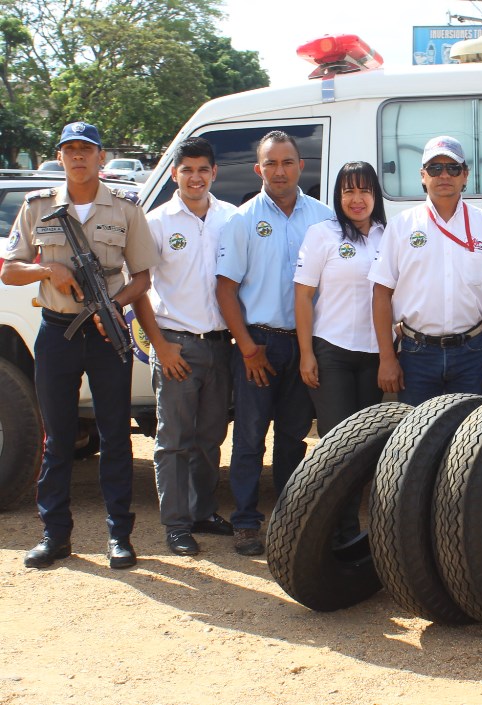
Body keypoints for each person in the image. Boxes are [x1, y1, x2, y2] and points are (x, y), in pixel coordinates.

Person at [2, 121, 159, 569]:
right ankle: (55, 535)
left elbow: (143, 277)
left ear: (101, 157)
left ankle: (119, 536)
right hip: (57, 333)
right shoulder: (38, 207)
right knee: (57, 439)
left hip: (106, 333)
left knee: (114, 436)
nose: (78, 157)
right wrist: (48, 271)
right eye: (69, 149)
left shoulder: (126, 209)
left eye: (86, 149)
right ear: (61, 156)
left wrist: (112, 305)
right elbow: (9, 270)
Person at [215, 130, 333, 556]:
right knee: (249, 436)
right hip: (258, 346)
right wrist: (247, 347)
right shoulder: (242, 219)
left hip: (306, 344)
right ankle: (246, 521)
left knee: (293, 436)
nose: (279, 171)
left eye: (287, 162)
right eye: (271, 163)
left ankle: (289, 516)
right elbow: (225, 289)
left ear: (301, 166)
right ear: (258, 169)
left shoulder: (323, 218)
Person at [132, 137, 237, 557]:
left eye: (203, 170)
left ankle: (202, 511)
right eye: (187, 169)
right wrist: (160, 345)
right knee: (173, 439)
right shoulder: (155, 222)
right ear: (174, 173)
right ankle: (176, 525)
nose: (195, 177)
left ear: (214, 173)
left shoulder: (231, 218)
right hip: (175, 344)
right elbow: (140, 289)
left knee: (210, 436)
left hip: (219, 345)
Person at [369, 136, 482, 406]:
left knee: (469, 441)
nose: (444, 175)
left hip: (472, 354)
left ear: (465, 175)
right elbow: (381, 293)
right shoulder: (402, 225)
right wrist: (387, 358)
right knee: (415, 441)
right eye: (435, 169)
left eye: (453, 168)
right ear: (423, 176)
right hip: (416, 356)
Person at [294, 161, 386, 543]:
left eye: (364, 190)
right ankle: (338, 533)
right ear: (338, 196)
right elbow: (302, 295)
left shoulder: (389, 234)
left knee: (368, 448)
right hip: (331, 353)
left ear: (375, 195)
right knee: (336, 446)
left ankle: (367, 532)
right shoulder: (323, 234)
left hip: (376, 356)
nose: (357, 198)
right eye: (348, 191)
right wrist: (306, 353)